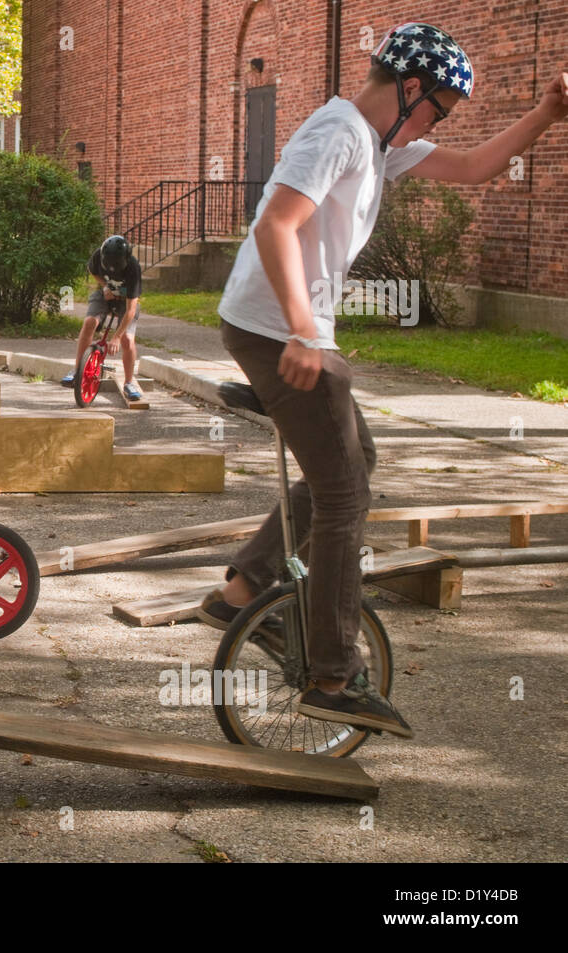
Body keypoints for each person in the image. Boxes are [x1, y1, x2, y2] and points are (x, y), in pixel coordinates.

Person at [198, 22, 568, 736]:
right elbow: (276, 225)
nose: (438, 123)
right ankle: (334, 674)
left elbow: (471, 166)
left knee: (353, 460)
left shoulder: (377, 143)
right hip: (279, 329)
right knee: (346, 491)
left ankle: (245, 585)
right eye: (438, 108)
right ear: (408, 89)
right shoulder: (336, 132)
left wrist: (547, 115)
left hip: (281, 326)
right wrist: (306, 330)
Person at [61, 234, 142, 402]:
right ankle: (77, 369)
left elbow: (131, 310)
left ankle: (129, 382)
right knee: (89, 322)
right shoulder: (98, 255)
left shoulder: (133, 268)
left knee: (127, 339)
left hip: (126, 303)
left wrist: (116, 338)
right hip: (106, 295)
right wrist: (105, 286)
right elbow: (92, 270)